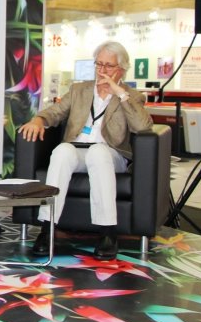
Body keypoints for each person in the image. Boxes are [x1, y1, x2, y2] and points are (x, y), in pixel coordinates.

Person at [18, 40, 153, 260]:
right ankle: (47, 228)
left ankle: (108, 232)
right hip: (78, 149)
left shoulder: (132, 96)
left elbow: (143, 127)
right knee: (62, 151)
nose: (101, 70)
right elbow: (55, 112)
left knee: (99, 153)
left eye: (108, 66)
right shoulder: (79, 89)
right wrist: (38, 120)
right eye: (98, 64)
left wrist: (120, 93)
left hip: (112, 154)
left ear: (121, 69)